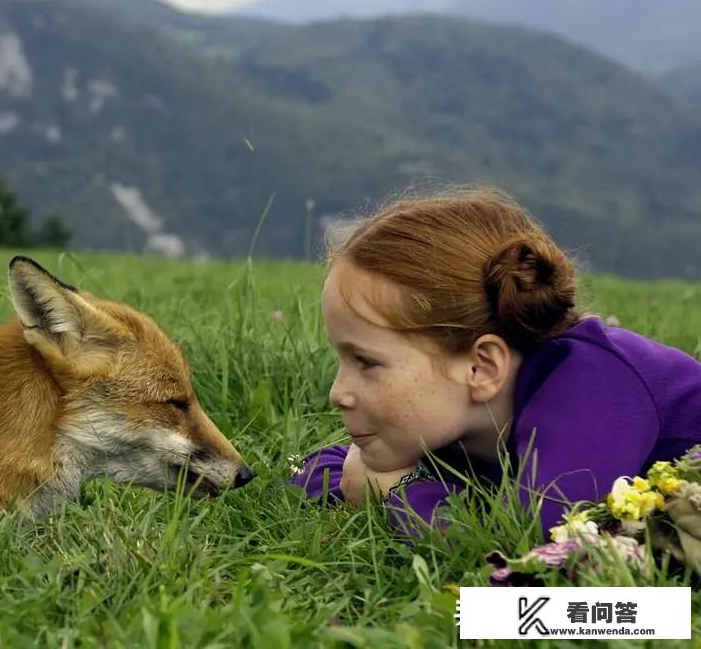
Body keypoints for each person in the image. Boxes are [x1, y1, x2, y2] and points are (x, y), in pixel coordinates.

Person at [290, 187, 701, 538]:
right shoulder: (457, 416)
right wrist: (365, 481)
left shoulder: (593, 389)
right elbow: (322, 469)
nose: (337, 393)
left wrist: (396, 497)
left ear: (481, 368)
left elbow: (529, 549)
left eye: (367, 362)